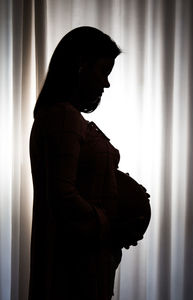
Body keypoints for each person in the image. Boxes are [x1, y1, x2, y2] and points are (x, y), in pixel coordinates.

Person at [28, 26, 146, 300]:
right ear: (81, 67)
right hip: (73, 272)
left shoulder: (63, 118)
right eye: (104, 71)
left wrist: (127, 196)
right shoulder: (63, 118)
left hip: (84, 265)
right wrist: (113, 224)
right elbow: (63, 196)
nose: (106, 84)